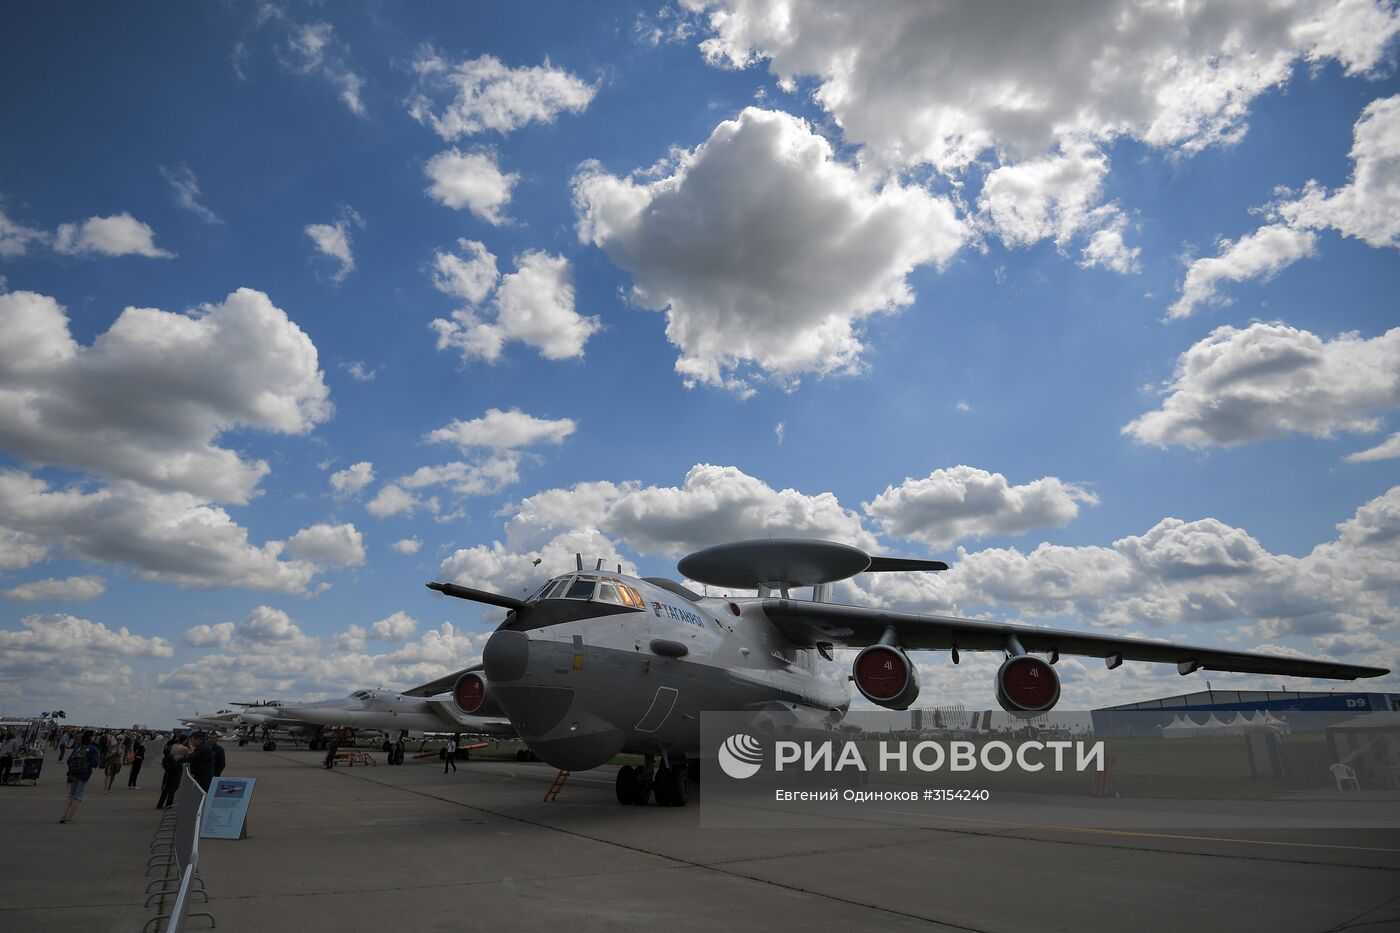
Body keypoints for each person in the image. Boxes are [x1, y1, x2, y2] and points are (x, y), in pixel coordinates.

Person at [60, 730, 100, 823]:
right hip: (84, 774)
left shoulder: (78, 747)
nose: (94, 737)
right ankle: (68, 818)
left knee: (71, 795)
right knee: (77, 796)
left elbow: (69, 760)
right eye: (94, 736)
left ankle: (64, 816)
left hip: (73, 773)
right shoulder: (93, 749)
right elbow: (95, 764)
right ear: (90, 737)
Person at [155, 735, 190, 809]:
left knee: (167, 786)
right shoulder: (183, 748)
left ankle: (160, 804)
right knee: (174, 786)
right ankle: (169, 804)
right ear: (185, 740)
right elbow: (189, 756)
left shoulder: (169, 745)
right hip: (176, 767)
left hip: (168, 766)